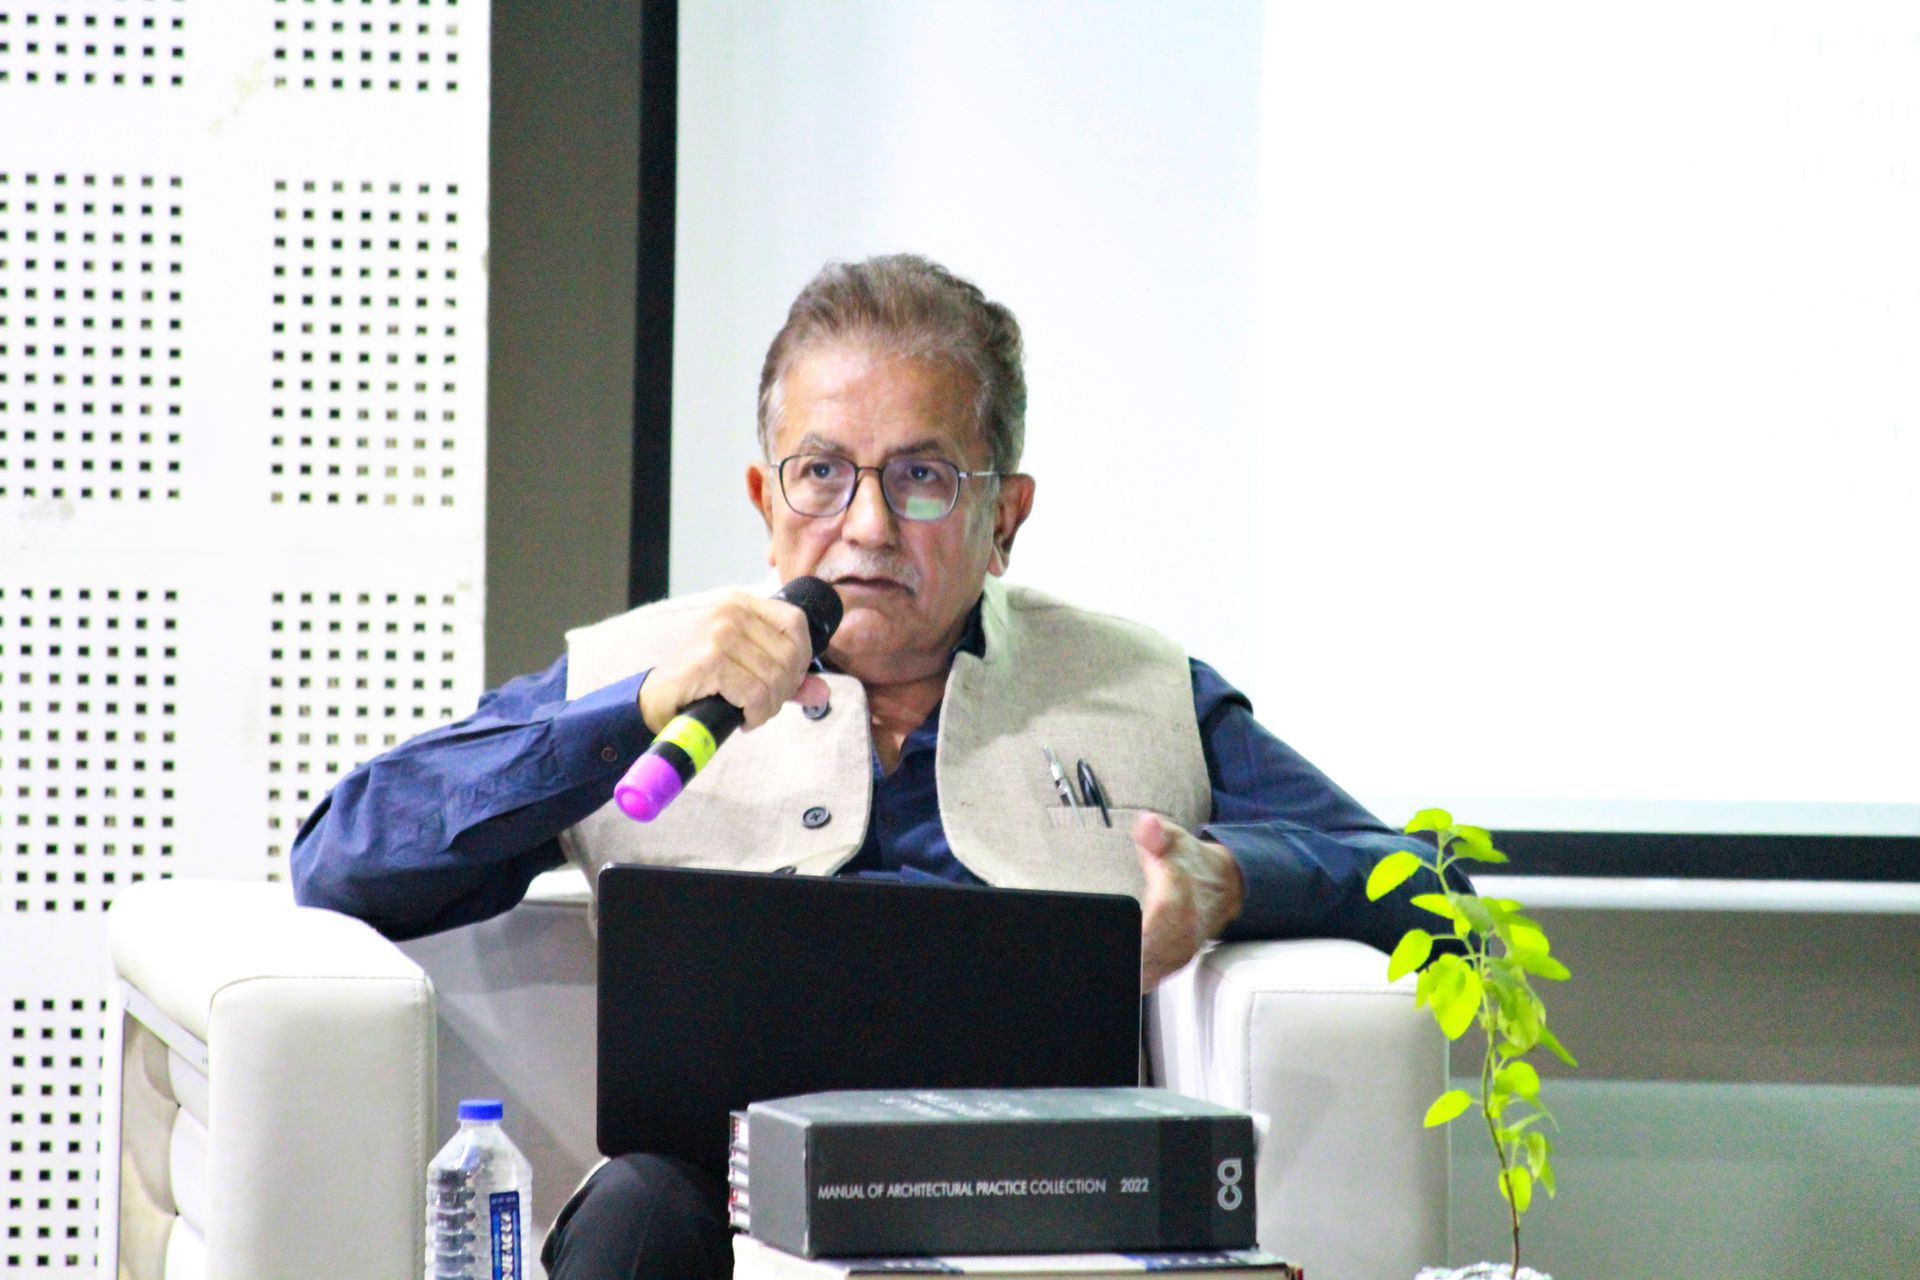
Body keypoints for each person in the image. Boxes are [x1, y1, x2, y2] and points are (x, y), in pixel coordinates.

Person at [291, 253, 1454, 1280]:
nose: (866, 526)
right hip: (716, 1202)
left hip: (1039, 1203)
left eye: (923, 477)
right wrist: (635, 710)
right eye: (822, 473)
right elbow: (344, 857)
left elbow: (1434, 883)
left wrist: (1235, 879)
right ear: (766, 499)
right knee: (637, 1209)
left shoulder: (1137, 685)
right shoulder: (646, 668)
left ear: (1006, 518)